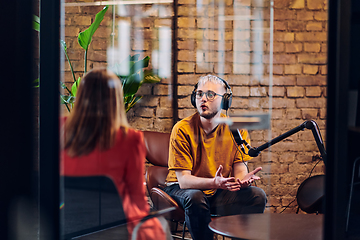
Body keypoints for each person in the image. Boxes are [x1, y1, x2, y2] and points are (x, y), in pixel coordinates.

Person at [60, 68, 169, 240]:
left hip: (67, 226)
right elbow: (136, 202)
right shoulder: (130, 139)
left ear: (81, 96)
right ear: (115, 100)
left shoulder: (61, 129)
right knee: (162, 227)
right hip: (113, 230)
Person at [163, 74, 267, 240]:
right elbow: (184, 181)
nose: (203, 99)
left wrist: (241, 181)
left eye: (210, 94)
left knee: (257, 196)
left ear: (225, 101)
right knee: (195, 197)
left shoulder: (236, 129)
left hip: (217, 190)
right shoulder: (182, 129)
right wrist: (214, 182)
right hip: (181, 189)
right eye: (199, 94)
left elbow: (239, 167)